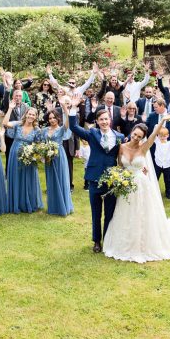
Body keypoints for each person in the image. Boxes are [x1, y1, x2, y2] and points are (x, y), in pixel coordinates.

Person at [102, 117, 170, 263]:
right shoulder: (122, 147)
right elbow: (120, 165)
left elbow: (153, 135)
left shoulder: (144, 147)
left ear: (142, 137)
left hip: (141, 186)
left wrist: (163, 120)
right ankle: (126, 242)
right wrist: (119, 179)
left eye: (139, 136)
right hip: (126, 185)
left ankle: (144, 243)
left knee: (142, 213)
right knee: (125, 213)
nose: (135, 138)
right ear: (131, 132)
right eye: (134, 135)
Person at [67, 94, 125, 252]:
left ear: (110, 120)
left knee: (110, 213)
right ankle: (96, 241)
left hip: (112, 180)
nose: (104, 122)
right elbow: (74, 127)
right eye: (101, 120)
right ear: (97, 122)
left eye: (106, 119)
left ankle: (108, 239)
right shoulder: (92, 134)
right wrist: (73, 107)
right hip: (94, 178)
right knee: (96, 212)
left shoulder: (119, 137)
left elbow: (125, 155)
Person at [3, 104, 43, 213]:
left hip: (28, 156)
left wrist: (34, 154)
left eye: (33, 115)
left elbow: (39, 145)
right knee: (16, 176)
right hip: (14, 155)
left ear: (36, 117)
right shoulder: (18, 124)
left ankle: (27, 202)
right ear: (26, 115)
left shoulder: (37, 130)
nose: (31, 116)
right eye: (29, 114)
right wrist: (10, 108)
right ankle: (15, 202)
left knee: (28, 178)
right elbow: (5, 123)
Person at [145, 99, 170, 199]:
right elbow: (146, 127)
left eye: (156, 107)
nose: (154, 108)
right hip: (155, 147)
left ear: (162, 106)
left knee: (169, 170)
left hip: (168, 146)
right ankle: (152, 189)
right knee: (154, 169)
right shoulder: (152, 115)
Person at [41, 109, 74, 216]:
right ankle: (53, 206)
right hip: (48, 157)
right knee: (51, 180)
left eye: (54, 118)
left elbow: (68, 121)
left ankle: (63, 206)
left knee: (61, 179)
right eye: (50, 118)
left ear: (58, 118)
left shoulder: (61, 129)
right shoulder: (45, 130)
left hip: (59, 155)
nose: (52, 120)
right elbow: (42, 142)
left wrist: (65, 108)